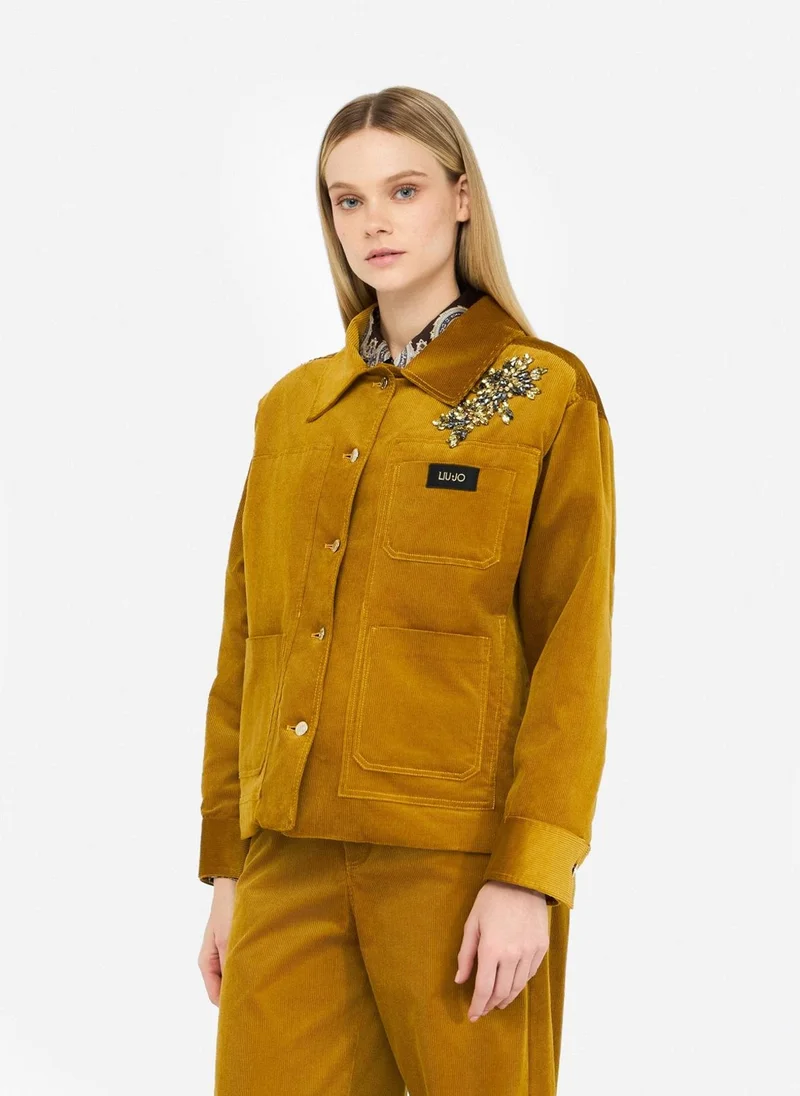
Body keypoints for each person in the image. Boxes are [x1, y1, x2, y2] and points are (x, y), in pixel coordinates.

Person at [196, 84, 616, 1096]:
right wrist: (228, 870)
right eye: (347, 200)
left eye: (403, 189)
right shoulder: (293, 410)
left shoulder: (537, 393)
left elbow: (572, 652)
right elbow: (246, 646)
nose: (373, 222)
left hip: (457, 865)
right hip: (287, 859)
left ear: (461, 199)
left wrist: (529, 874)